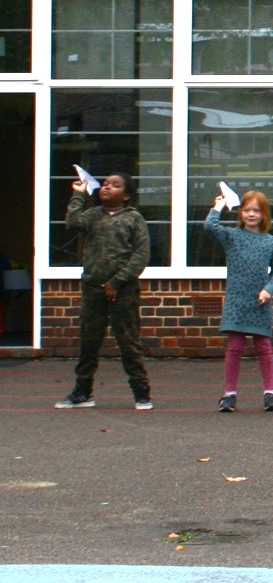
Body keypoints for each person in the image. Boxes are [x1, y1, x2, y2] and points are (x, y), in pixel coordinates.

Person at [57, 172, 151, 410]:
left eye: (116, 185)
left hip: (124, 291)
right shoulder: (93, 215)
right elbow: (73, 222)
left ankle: (141, 392)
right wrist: (78, 195)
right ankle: (82, 392)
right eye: (106, 184)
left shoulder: (133, 219)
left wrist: (117, 281)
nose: (108, 187)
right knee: (89, 341)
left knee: (128, 341)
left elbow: (141, 255)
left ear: (126, 195)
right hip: (92, 289)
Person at [206, 190, 273, 413]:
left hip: (260, 302)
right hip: (236, 300)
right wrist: (218, 206)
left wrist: (268, 290)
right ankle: (229, 394)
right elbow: (209, 227)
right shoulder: (232, 236)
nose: (251, 214)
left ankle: (270, 393)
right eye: (247, 210)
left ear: (264, 214)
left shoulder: (271, 241)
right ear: (240, 212)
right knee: (234, 347)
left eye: (256, 210)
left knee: (263, 347)